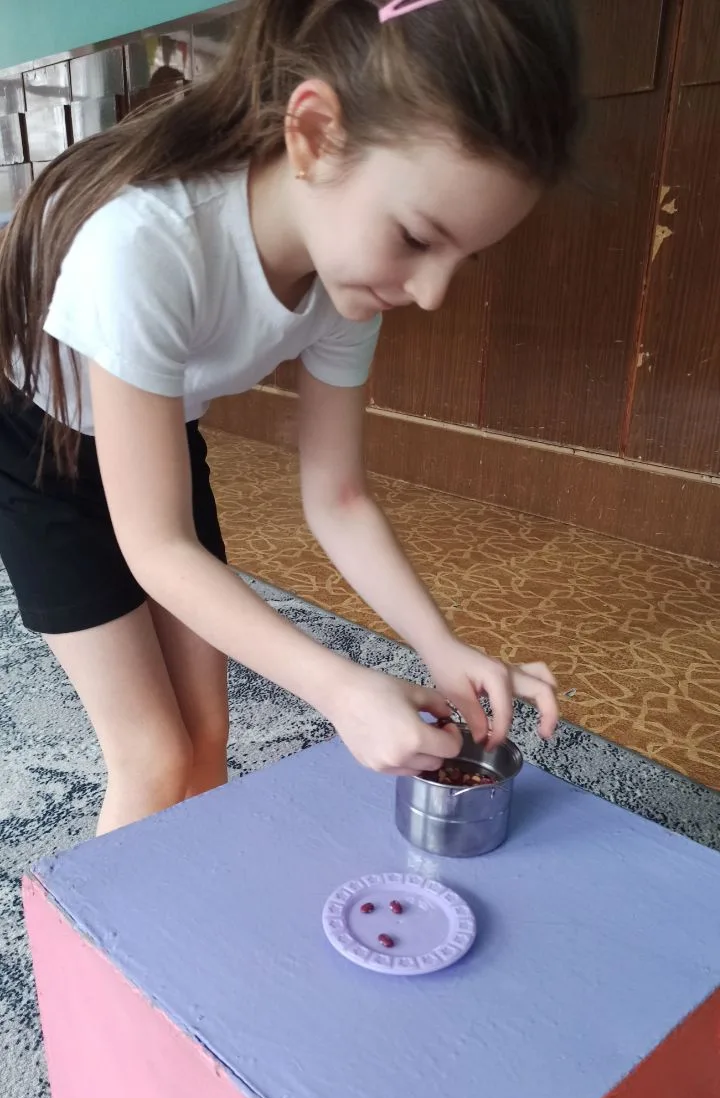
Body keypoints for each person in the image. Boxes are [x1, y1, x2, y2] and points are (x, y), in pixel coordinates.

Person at [0, 0, 581, 835]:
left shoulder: (351, 280)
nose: (430, 293)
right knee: (153, 755)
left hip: (157, 436)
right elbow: (156, 545)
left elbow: (338, 497)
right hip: (34, 447)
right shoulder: (147, 243)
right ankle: (96, 925)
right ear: (312, 134)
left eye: (465, 256)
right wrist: (341, 689)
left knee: (207, 734)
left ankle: (190, 900)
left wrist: (440, 646)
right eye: (419, 237)